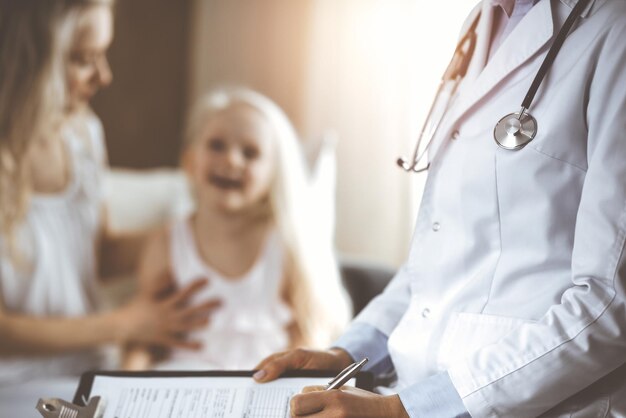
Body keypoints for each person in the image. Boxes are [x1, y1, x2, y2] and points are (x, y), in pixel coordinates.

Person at [253, 0, 626, 416]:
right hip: (416, 390)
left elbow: (610, 306)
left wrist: (406, 410)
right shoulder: (487, 19)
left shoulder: (613, 29)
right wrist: (349, 354)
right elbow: (439, 257)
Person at [0, 0, 217, 386]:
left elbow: (96, 253)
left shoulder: (83, 135)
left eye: (104, 54)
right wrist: (126, 323)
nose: (104, 76)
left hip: (90, 372)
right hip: (14, 386)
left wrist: (200, 232)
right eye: (84, 59)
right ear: (25, 60)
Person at [123, 88, 351, 370]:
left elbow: (307, 333)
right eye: (217, 145)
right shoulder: (167, 244)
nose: (231, 160)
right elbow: (143, 338)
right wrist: (126, 384)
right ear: (190, 160)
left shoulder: (284, 246)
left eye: (250, 153)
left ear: (273, 174)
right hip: (181, 385)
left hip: (261, 385)